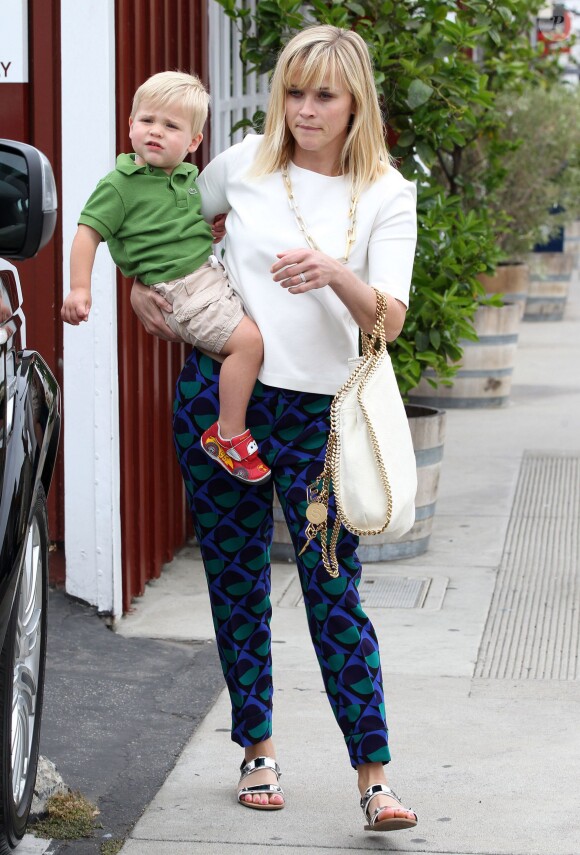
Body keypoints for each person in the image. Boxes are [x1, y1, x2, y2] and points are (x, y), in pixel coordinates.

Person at [131, 26, 418, 832]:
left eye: (323, 94)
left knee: (335, 593)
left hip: (320, 422)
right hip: (222, 403)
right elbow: (160, 235)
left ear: (354, 98)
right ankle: (255, 746)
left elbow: (387, 322)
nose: (304, 110)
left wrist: (333, 274)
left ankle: (374, 775)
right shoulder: (245, 167)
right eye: (294, 91)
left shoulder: (387, 193)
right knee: (236, 581)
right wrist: (142, 298)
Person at [61, 71, 270, 484]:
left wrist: (214, 228)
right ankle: (229, 435)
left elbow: (184, 223)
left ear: (193, 142)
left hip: (206, 278)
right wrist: (80, 288)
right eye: (147, 121)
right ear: (130, 125)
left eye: (171, 126)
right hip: (180, 290)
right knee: (249, 345)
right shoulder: (120, 185)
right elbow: (87, 234)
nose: (155, 132)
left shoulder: (190, 179)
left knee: (246, 345)